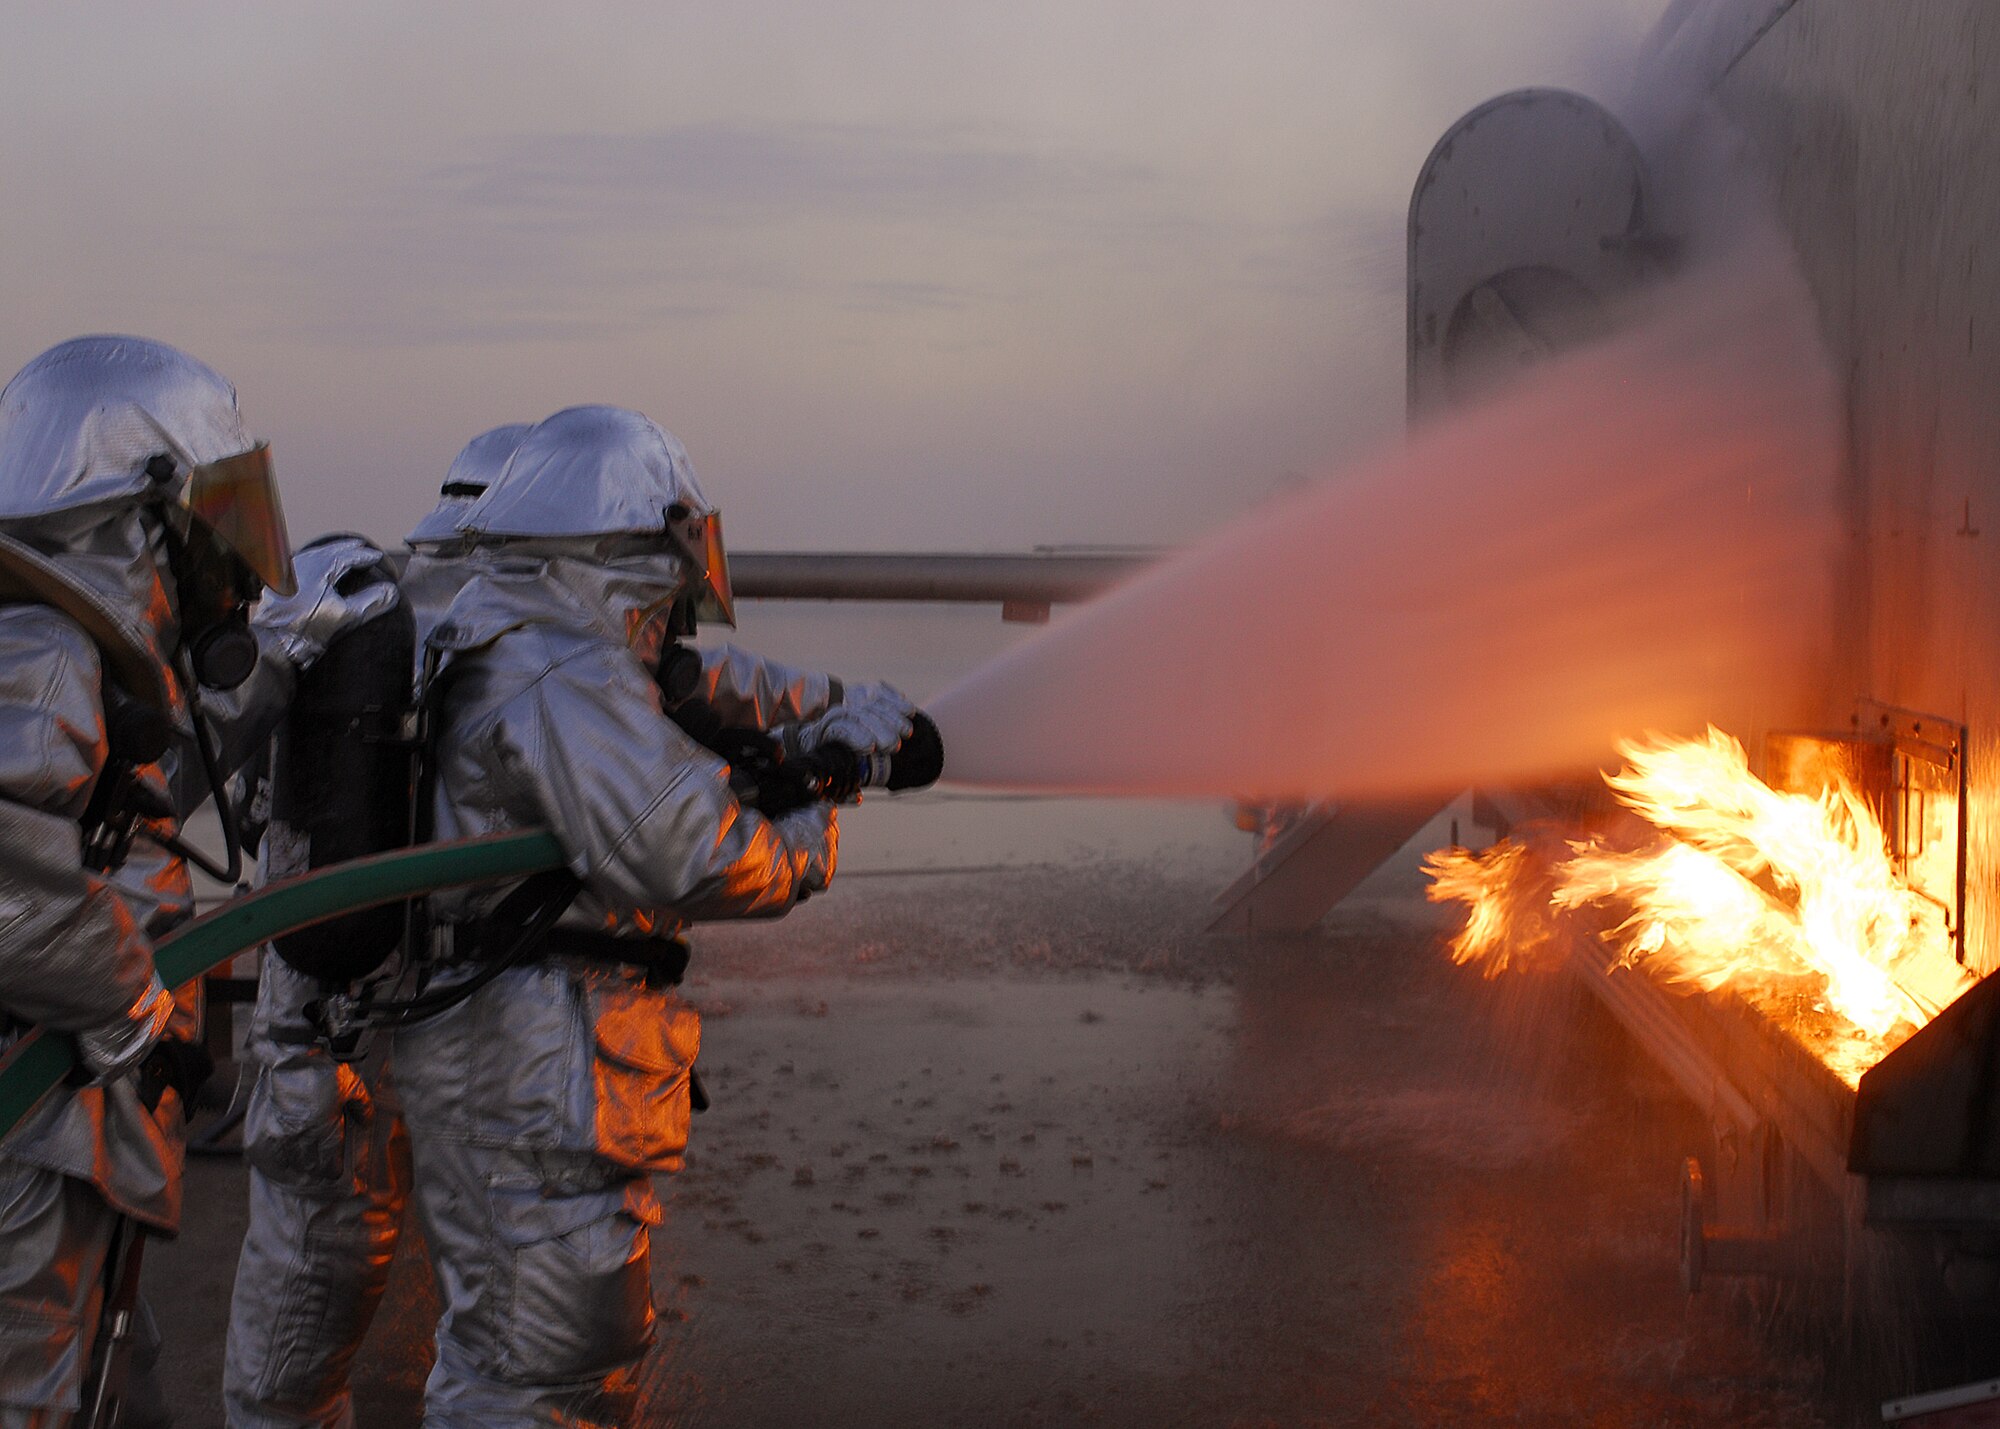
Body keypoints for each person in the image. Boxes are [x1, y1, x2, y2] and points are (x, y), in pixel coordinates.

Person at [224, 411, 911, 1426]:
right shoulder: (554, 658)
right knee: (534, 1365)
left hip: (371, 1012)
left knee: (310, 1306)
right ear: (634, 542)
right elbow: (701, 853)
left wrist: (820, 717)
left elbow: (696, 692)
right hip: (534, 1055)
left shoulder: (428, 624)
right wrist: (822, 798)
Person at [0, 336, 393, 1427]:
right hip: (28, 1140)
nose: (230, 558)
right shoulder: (34, 651)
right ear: (145, 513)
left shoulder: (54, 643)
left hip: (63, 1139)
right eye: (217, 521)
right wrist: (129, 1007)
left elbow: (121, 791)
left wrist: (277, 649)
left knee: (112, 1389)